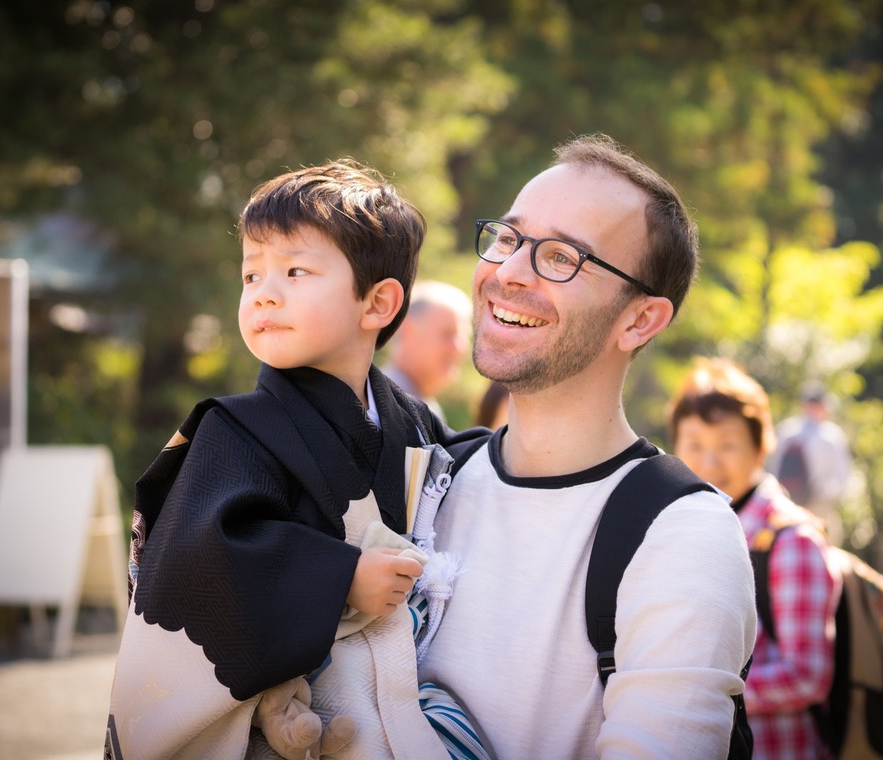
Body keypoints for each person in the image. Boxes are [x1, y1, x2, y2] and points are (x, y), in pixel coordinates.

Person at [106, 160, 484, 759]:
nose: (264, 294)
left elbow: (464, 462)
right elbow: (200, 556)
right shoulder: (233, 429)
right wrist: (340, 578)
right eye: (251, 275)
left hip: (386, 697)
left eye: (295, 270)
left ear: (379, 302)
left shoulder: (407, 418)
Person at [417, 134, 757, 758]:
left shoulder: (681, 535)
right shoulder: (427, 482)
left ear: (640, 320)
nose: (510, 272)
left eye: (562, 257)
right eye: (508, 239)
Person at [668, 357, 842, 760]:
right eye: (694, 445)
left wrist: (701, 695)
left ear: (761, 446)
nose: (709, 463)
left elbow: (807, 675)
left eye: (727, 445)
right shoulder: (682, 526)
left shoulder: (792, 539)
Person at [767, 380, 853, 545]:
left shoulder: (787, 430)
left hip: (791, 505)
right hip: (819, 506)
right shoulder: (831, 435)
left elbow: (773, 467)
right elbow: (842, 477)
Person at [380, 279, 473, 421]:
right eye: (447, 334)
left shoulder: (424, 407)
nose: (459, 347)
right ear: (408, 332)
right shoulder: (382, 406)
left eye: (464, 336)